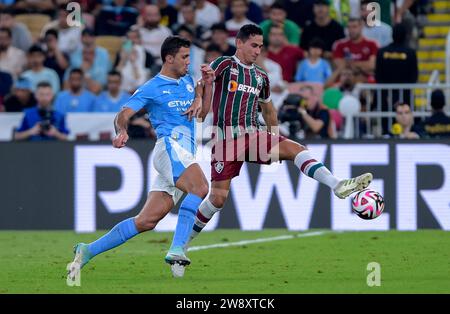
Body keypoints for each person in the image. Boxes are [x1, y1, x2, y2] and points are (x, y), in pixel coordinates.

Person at [186, 24, 372, 255]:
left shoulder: (261, 77)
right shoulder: (225, 64)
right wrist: (201, 93)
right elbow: (204, 82)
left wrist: (274, 139)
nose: (257, 51)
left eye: (261, 47)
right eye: (253, 45)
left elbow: (269, 111)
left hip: (253, 135)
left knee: (296, 150)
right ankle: (182, 244)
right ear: (239, 43)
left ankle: (337, 185)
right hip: (225, 141)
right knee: (217, 199)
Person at [68, 36, 212, 280]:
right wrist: (121, 131)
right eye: (184, 57)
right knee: (200, 187)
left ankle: (87, 250)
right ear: (169, 58)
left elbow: (201, 115)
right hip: (169, 148)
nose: (189, 62)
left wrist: (205, 89)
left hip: (184, 153)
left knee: (146, 221)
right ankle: (177, 249)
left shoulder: (188, 81)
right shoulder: (151, 88)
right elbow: (123, 114)